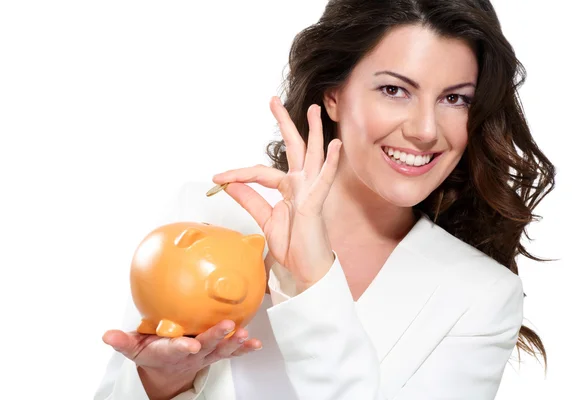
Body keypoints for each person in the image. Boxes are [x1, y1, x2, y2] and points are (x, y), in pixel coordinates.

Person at [94, 0, 556, 399]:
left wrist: (315, 283)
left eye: (454, 99)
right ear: (334, 95)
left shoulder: (480, 295)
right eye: (394, 90)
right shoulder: (206, 216)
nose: (425, 130)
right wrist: (162, 383)